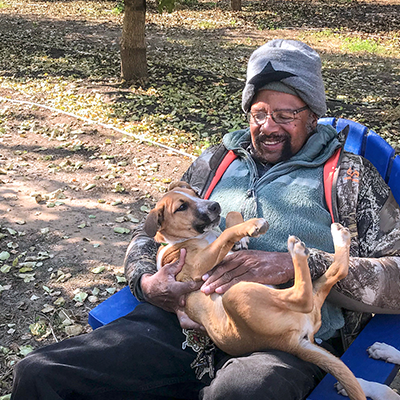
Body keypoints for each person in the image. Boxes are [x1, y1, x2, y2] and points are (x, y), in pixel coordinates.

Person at [11, 39, 400, 400]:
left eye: (285, 115)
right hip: (182, 325)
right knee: (40, 372)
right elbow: (148, 234)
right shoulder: (215, 161)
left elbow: (397, 275)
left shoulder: (350, 177)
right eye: (259, 113)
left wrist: (299, 264)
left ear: (314, 116)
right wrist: (147, 281)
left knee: (243, 392)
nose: (268, 127)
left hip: (279, 340)